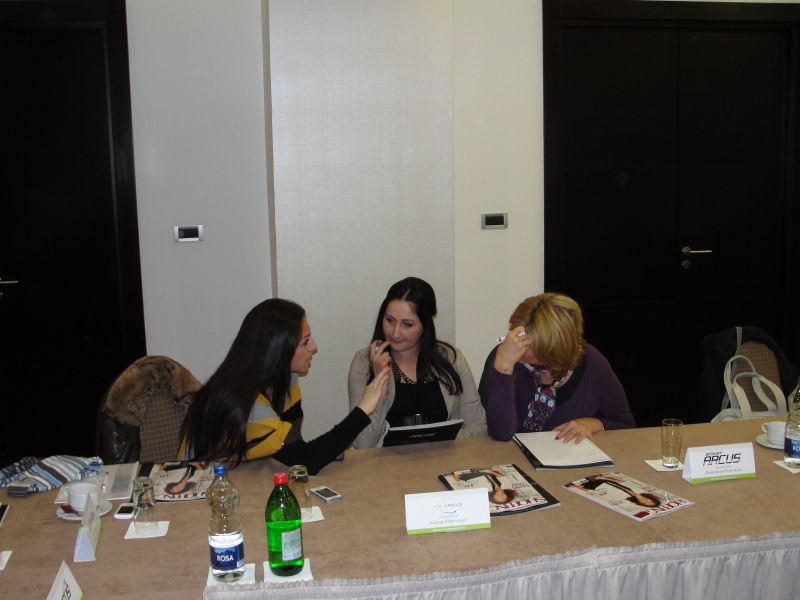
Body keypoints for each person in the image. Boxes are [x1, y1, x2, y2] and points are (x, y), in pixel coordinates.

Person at [181, 298, 390, 474]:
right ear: (278, 351)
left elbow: (294, 451)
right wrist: (363, 409)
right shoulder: (248, 405)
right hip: (200, 489)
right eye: (305, 342)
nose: (314, 347)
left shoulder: (286, 380)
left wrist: (329, 449)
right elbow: (305, 461)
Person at [348, 277, 486, 448]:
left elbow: (479, 426)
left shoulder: (451, 359)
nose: (395, 333)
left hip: (443, 459)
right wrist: (379, 383)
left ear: (425, 325)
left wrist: (437, 442)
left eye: (407, 324)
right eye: (389, 320)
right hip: (386, 462)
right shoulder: (363, 362)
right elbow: (363, 443)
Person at [479, 292, 634, 444]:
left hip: (576, 456)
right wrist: (504, 368)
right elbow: (501, 434)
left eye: (530, 344)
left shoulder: (592, 361)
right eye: (517, 335)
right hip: (517, 458)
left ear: (554, 351)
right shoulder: (504, 357)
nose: (519, 345)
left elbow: (625, 424)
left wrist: (593, 424)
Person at [569, 474, 661, 508]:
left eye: (646, 504)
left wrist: (579, 488)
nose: (645, 501)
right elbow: (620, 483)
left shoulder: (625, 499)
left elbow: (597, 494)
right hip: (601, 480)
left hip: (593, 486)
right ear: (651, 498)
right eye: (649, 501)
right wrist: (606, 477)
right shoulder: (637, 491)